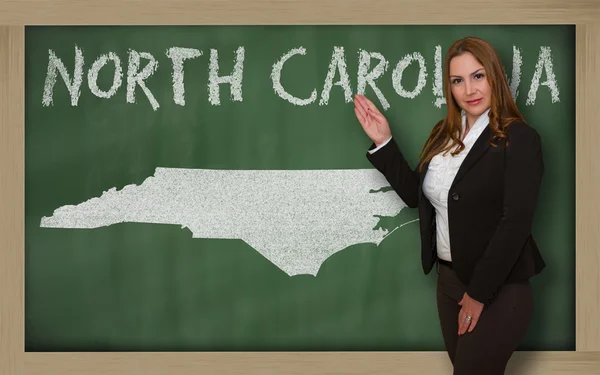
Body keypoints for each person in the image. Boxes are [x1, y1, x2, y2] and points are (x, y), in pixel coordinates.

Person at [353, 36, 546, 375]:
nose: (469, 89)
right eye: (458, 80)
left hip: (496, 288)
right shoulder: (444, 134)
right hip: (448, 283)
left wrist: (478, 294)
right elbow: (418, 197)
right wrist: (384, 141)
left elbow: (515, 222)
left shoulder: (519, 138)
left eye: (478, 76)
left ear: (495, 78)